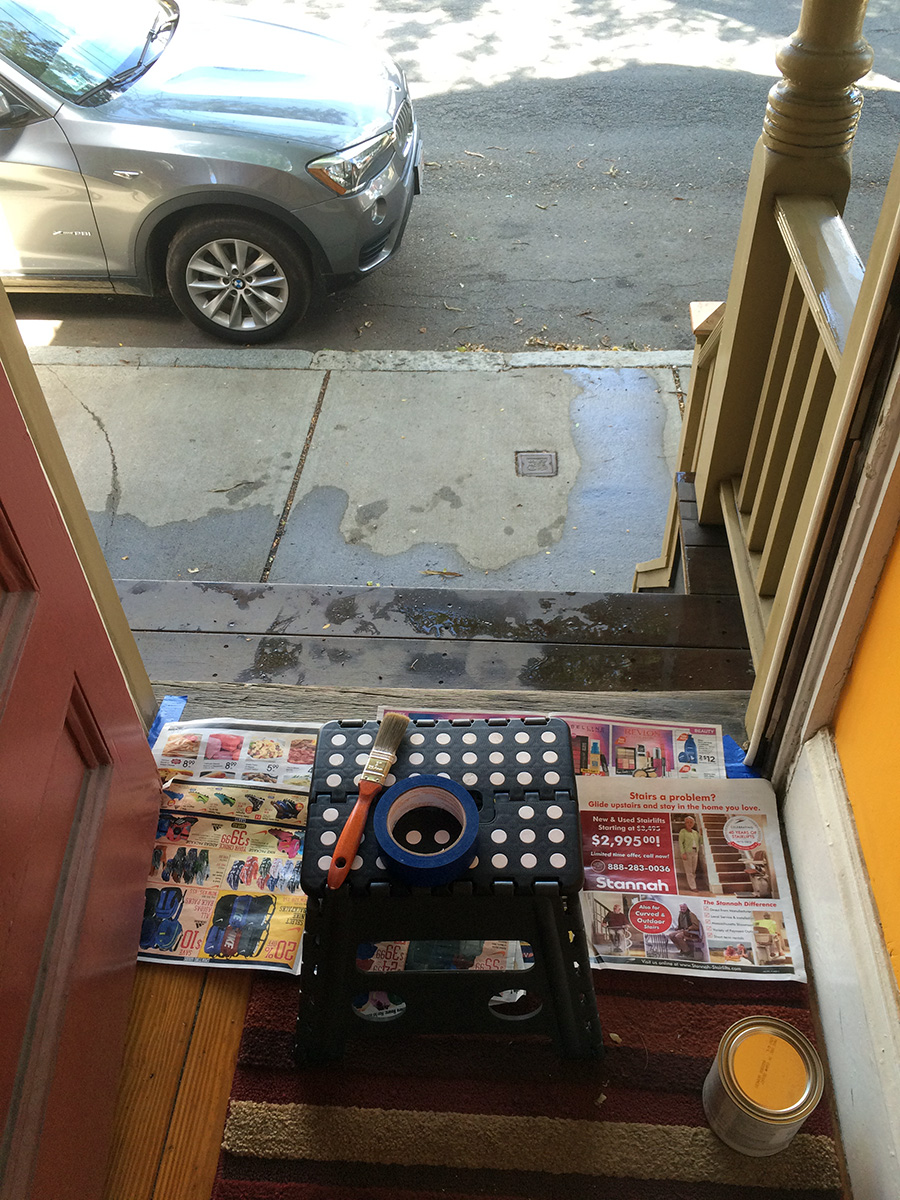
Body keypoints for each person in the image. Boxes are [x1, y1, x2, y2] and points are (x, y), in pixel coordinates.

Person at [678, 815, 702, 891]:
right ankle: (693, 887)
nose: (689, 824)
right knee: (689, 871)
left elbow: (700, 842)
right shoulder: (683, 831)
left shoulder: (695, 833)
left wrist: (701, 835)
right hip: (687, 852)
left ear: (693, 823)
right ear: (685, 823)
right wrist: (683, 853)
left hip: (695, 852)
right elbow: (680, 843)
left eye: (691, 822)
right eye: (687, 822)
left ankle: (692, 884)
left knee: (693, 871)